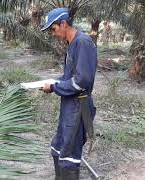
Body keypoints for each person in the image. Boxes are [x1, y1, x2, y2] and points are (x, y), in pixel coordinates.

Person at [40, 8, 97, 180]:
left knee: (69, 154)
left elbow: (81, 81)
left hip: (78, 107)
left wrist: (55, 87)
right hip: (69, 106)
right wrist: (54, 83)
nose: (52, 33)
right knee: (57, 147)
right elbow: (69, 77)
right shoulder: (72, 44)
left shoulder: (82, 43)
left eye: (54, 29)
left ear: (63, 24)